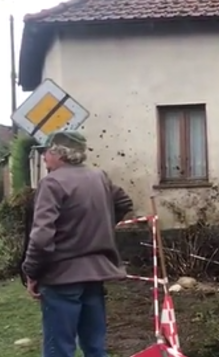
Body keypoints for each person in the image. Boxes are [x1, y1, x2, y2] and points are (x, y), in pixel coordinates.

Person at [22, 130, 133, 357]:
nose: (44, 157)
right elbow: (123, 202)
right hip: (95, 275)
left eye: (47, 151)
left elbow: (42, 238)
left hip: (61, 277)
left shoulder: (51, 183)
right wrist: (98, 227)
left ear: (59, 154)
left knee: (59, 349)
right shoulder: (99, 177)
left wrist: (30, 272)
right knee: (95, 347)